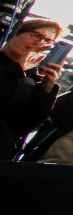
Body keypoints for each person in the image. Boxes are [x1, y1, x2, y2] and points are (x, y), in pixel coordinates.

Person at [0, 18, 66, 159]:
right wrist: (16, 69)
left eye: (47, 41)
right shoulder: (16, 71)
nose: (39, 43)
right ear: (16, 32)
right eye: (37, 36)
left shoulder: (31, 79)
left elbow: (30, 123)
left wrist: (46, 89)